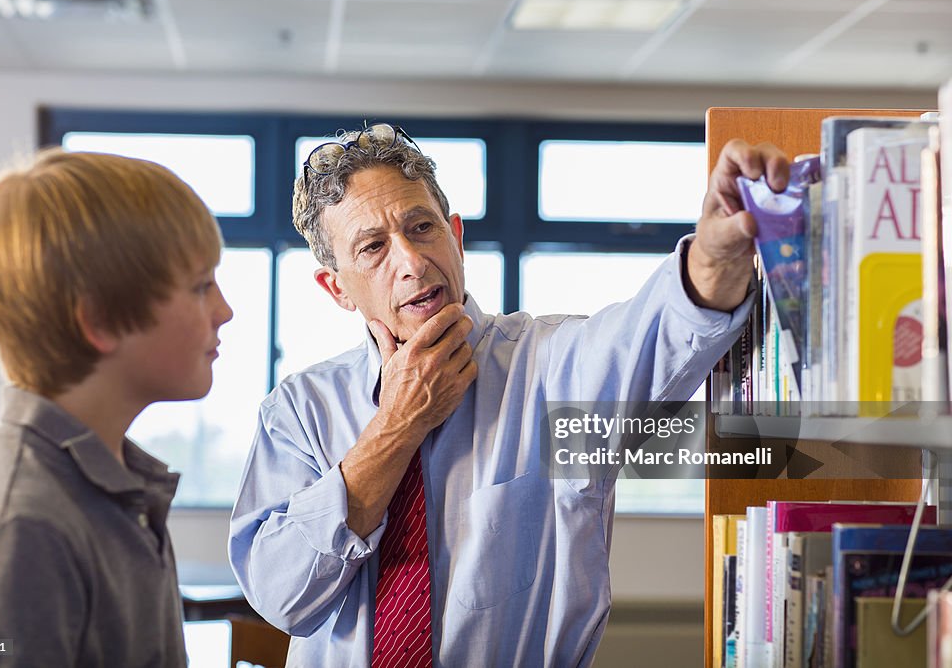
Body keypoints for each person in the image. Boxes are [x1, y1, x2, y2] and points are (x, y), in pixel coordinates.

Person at [229, 123, 788, 666]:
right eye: (373, 247)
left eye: (422, 228)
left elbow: (657, 336)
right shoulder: (299, 411)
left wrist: (714, 255)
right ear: (337, 288)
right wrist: (398, 425)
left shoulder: (548, 368)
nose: (412, 262)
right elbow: (284, 598)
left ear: (457, 236)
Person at [0, 149, 233, 666]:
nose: (225, 310)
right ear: (101, 320)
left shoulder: (112, 487)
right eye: (201, 286)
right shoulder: (24, 530)